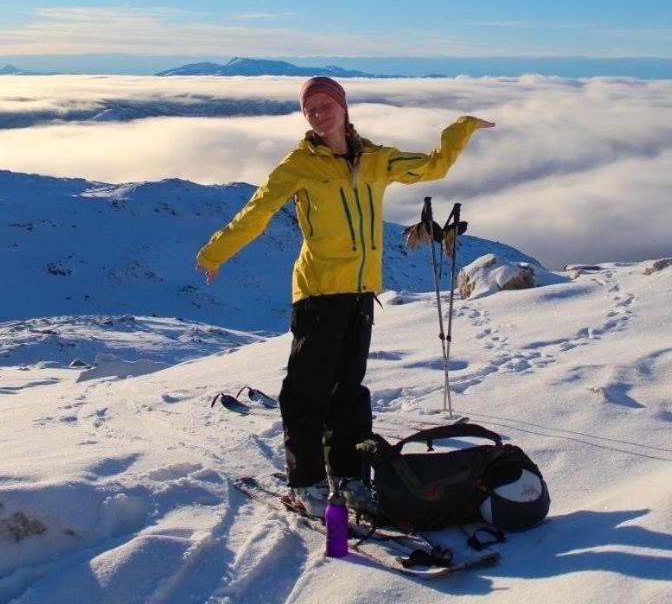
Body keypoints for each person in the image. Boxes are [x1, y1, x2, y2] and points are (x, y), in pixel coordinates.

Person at [196, 76, 494, 516]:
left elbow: (433, 167)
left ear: (343, 108)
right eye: (310, 109)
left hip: (360, 292)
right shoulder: (298, 164)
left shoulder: (375, 160)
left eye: (325, 105)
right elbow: (257, 210)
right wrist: (216, 252)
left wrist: (460, 129)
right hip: (317, 291)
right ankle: (307, 483)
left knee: (349, 392)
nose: (318, 114)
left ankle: (351, 476)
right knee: (306, 392)